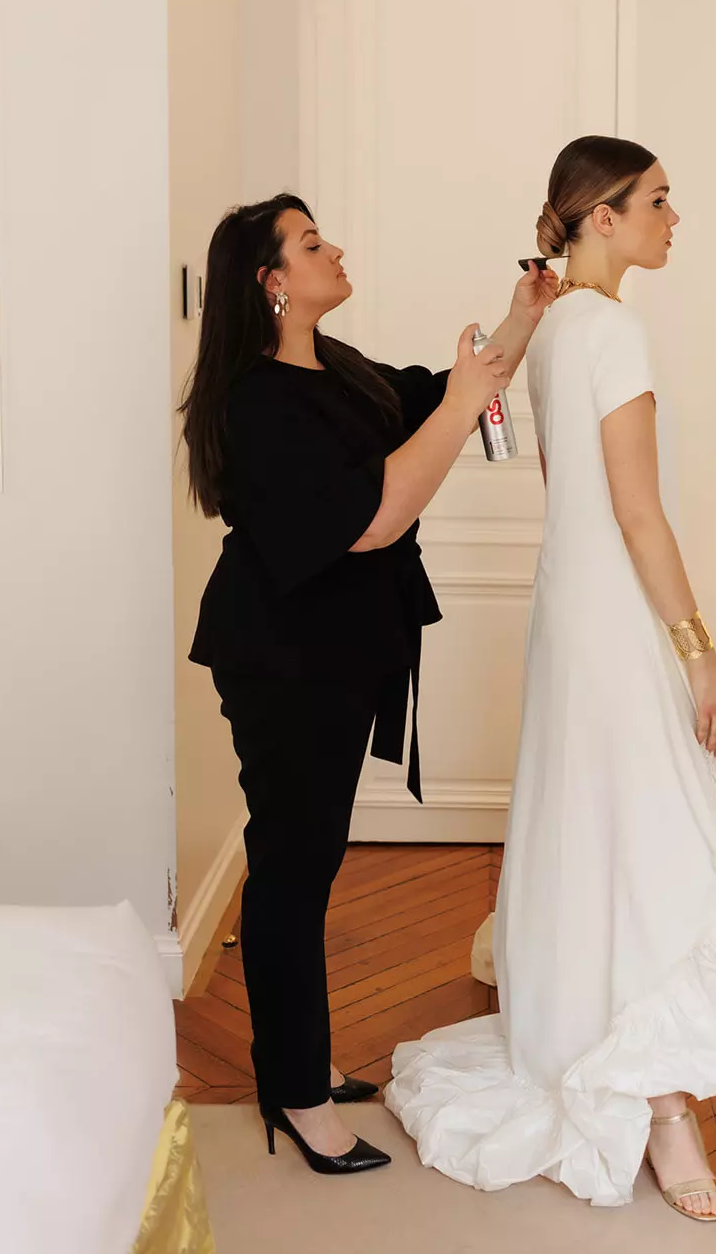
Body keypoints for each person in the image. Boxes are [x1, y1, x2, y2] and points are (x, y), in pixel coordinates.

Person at [386, 138, 716, 1221]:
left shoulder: (555, 328)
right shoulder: (613, 327)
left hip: (565, 610)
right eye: (658, 201)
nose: (675, 218)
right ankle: (664, 1106)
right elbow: (638, 514)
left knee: (602, 827)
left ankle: (602, 1041)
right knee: (646, 839)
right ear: (599, 216)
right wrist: (698, 657)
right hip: (614, 619)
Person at [180, 192, 557, 1177]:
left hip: (338, 650)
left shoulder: (340, 370)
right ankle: (296, 1090)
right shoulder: (254, 402)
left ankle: (296, 1063)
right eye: (310, 243)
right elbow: (373, 519)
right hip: (281, 661)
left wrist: (520, 318)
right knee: (292, 870)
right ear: (271, 284)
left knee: (309, 862)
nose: (333, 249)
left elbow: (454, 395)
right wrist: (460, 392)